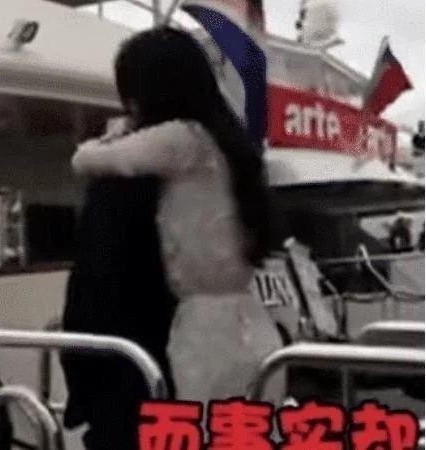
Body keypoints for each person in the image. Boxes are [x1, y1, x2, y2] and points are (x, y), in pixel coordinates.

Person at [72, 27, 285, 408]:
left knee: (198, 425)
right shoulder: (231, 146)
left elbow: (88, 160)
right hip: (250, 323)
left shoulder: (179, 140)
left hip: (201, 332)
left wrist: (112, 135)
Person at [60, 150, 177, 446]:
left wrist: (80, 390)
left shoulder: (118, 184)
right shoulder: (217, 174)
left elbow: (89, 293)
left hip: (126, 375)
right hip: (201, 360)